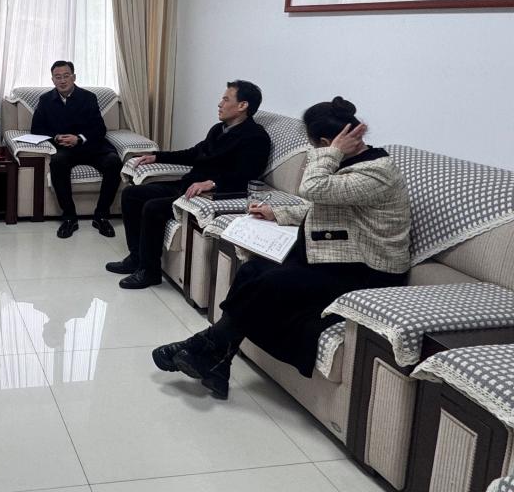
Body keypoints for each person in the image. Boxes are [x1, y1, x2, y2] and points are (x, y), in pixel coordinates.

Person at [152, 97, 411, 400]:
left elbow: (313, 189)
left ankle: (205, 346)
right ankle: (217, 361)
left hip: (369, 272)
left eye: (316, 148)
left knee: (270, 283)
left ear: (325, 143)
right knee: (252, 270)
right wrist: (278, 212)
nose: (315, 155)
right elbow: (327, 206)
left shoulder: (376, 172)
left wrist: (329, 154)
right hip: (339, 256)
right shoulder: (352, 165)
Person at [108, 80, 270, 289]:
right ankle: (136, 258)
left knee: (153, 207)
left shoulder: (256, 137)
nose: (219, 104)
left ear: (243, 105)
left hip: (205, 195)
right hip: (187, 186)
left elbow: (247, 174)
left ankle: (150, 272)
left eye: (225, 99)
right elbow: (194, 153)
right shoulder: (219, 129)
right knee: (131, 194)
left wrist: (213, 183)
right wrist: (157, 156)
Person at [31, 60, 121, 239]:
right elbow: (36, 129)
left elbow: (99, 129)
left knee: (114, 162)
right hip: (65, 148)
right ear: (53, 80)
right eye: (58, 77)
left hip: (91, 146)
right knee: (57, 162)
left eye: (66, 76)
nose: (62, 80)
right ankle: (69, 218)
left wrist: (79, 138)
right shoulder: (45, 100)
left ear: (74, 77)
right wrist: (56, 137)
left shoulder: (88, 97)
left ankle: (101, 216)